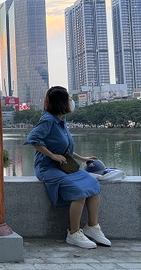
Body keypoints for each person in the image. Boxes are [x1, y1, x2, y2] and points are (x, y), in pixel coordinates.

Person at [24, 86, 111, 249]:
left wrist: (82, 158)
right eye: (69, 98)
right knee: (79, 191)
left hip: (64, 166)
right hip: (48, 167)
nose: (71, 101)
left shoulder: (60, 120)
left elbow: (64, 147)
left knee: (93, 185)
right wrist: (52, 156)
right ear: (61, 102)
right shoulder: (48, 120)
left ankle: (92, 227)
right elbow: (33, 140)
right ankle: (73, 233)